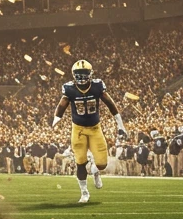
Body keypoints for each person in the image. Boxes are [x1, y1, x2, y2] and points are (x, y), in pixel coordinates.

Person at [52, 59, 128, 204]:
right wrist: (57, 118)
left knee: (102, 164)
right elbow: (62, 104)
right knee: (80, 162)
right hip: (78, 129)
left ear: (90, 74)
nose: (81, 77)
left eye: (84, 73)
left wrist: (120, 124)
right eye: (79, 74)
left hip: (95, 129)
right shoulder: (69, 88)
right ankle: (84, 193)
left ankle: (95, 171)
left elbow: (110, 103)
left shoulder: (97, 86)